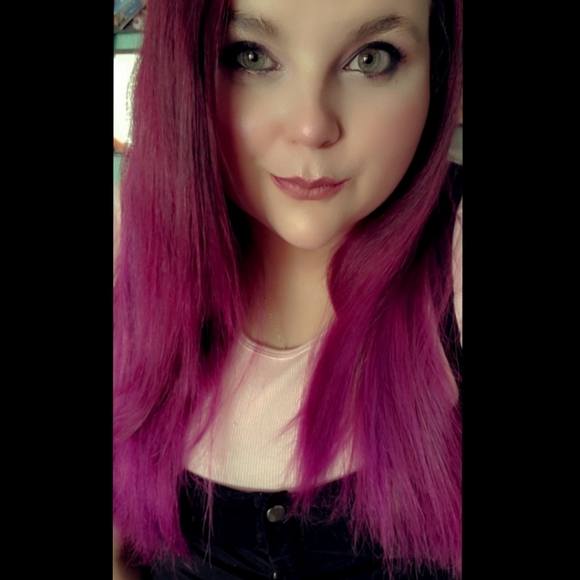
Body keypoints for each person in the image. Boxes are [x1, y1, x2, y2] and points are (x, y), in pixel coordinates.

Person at [113, 0, 463, 578]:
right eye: (250, 55)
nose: (311, 127)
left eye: (372, 58)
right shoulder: (128, 247)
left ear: (439, 66)